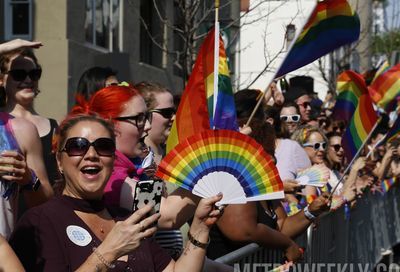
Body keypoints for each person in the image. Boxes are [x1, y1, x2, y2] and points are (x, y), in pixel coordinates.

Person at [10, 114, 223, 271]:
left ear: (113, 156)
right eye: (137, 119)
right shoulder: (40, 221)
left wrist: (200, 229)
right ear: (59, 161)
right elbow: (166, 214)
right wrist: (108, 252)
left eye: (103, 146)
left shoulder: (130, 206)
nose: (145, 127)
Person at [71, 85, 199, 230]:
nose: (148, 126)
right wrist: (204, 172)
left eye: (147, 117)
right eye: (139, 119)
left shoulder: (135, 166)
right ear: (110, 125)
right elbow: (167, 216)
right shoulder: (111, 177)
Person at [0, 39, 59, 185]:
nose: (28, 79)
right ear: (1, 79)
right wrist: (4, 48)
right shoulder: (1, 123)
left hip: (44, 205)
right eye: (18, 74)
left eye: (34, 73)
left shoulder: (53, 127)